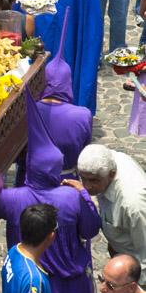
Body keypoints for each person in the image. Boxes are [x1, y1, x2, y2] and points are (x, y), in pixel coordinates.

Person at [0, 90, 100, 293]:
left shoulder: (13, 199)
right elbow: (92, 229)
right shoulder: (71, 197)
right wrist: (84, 193)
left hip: (28, 283)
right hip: (71, 289)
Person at [77, 145, 146, 283]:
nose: (86, 186)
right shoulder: (105, 160)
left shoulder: (133, 205)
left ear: (112, 174)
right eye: (83, 178)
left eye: (93, 180)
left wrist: (134, 288)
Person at [36, 10, 93, 175]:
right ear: (68, 83)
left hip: (33, 180)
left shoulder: (29, 110)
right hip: (67, 183)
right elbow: (83, 153)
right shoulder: (83, 115)